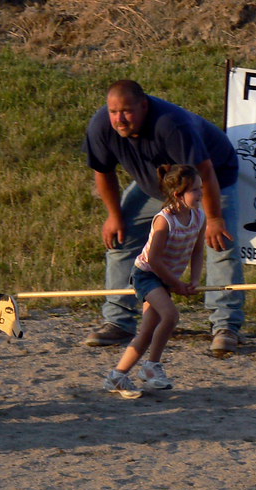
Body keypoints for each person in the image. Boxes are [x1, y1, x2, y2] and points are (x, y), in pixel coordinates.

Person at [82, 79, 244, 355]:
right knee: (123, 237)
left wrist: (214, 219)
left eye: (127, 111)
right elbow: (103, 172)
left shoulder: (172, 125)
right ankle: (118, 321)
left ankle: (225, 325)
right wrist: (114, 215)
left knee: (220, 243)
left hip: (208, 179)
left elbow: (205, 172)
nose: (119, 119)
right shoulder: (101, 127)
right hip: (155, 183)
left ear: (144, 106)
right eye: (113, 112)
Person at [104, 164, 204, 398]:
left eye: (201, 188)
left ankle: (117, 376)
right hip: (148, 274)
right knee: (170, 316)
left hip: (167, 278)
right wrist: (176, 284)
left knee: (148, 330)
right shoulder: (164, 220)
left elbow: (198, 251)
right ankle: (152, 366)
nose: (201, 194)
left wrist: (195, 279)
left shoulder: (199, 216)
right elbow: (155, 260)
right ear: (178, 194)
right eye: (196, 190)